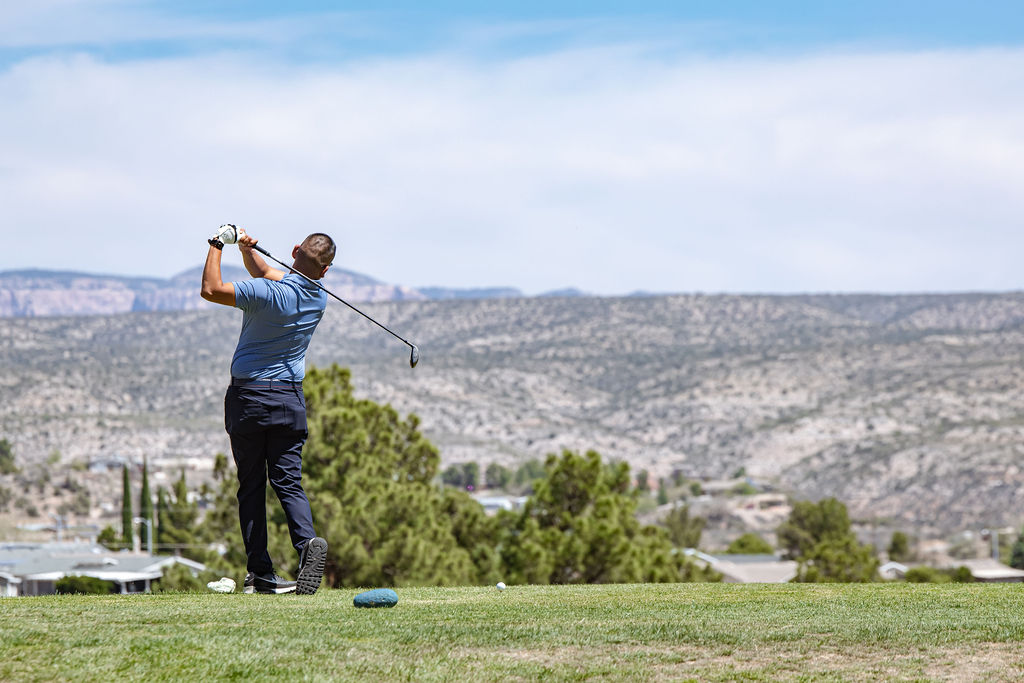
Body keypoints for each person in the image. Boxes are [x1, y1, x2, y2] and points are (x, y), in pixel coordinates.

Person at [201, 224, 332, 595]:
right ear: (325, 271)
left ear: (294, 251)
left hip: (250, 400)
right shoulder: (318, 296)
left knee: (252, 486)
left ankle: (261, 573)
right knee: (288, 482)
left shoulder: (265, 293)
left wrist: (216, 245)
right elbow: (270, 273)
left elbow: (211, 289)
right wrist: (247, 252)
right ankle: (307, 546)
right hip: (290, 401)